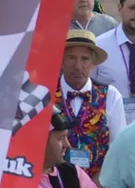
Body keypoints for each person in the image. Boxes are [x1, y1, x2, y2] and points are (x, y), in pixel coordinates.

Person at [55, 28, 130, 175]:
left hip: (98, 183)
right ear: (61, 60)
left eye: (85, 59)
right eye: (71, 58)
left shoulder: (111, 96)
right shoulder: (45, 95)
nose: (78, 66)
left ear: (93, 63)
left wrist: (103, 180)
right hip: (53, 184)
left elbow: (119, 147)